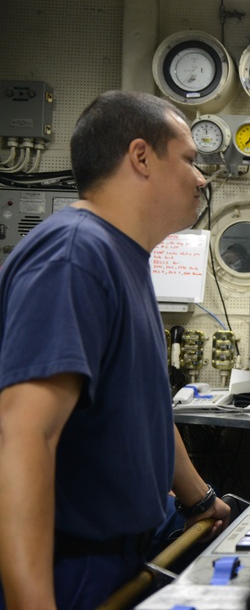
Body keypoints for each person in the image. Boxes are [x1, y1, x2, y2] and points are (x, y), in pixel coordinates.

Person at [0, 90, 231, 610]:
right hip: (70, 567)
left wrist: (200, 498)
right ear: (141, 157)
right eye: (190, 159)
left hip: (128, 551)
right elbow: (24, 434)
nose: (201, 179)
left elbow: (144, 405)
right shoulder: (75, 255)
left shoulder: (125, 257)